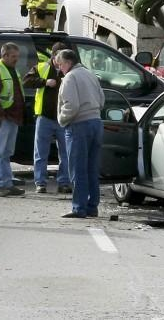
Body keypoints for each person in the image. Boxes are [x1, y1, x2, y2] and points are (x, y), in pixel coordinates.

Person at [55, 49, 105, 219]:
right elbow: (102, 100)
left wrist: (62, 119)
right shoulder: (90, 74)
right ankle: (92, 206)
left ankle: (79, 208)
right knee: (91, 168)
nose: (59, 69)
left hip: (78, 125)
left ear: (68, 63)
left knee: (77, 169)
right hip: (96, 123)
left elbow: (72, 105)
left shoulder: (70, 77)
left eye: (60, 64)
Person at [23, 42, 71, 194]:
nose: (61, 60)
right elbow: (26, 81)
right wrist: (44, 82)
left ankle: (64, 182)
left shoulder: (68, 70)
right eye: (59, 57)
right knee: (40, 153)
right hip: (44, 117)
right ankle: (40, 183)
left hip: (63, 118)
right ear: (53, 55)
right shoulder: (42, 67)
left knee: (66, 153)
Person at [0, 43, 25, 197]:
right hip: (4, 117)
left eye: (17, 56)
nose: (16, 59)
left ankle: (7, 183)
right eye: (14, 56)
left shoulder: (10, 69)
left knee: (6, 153)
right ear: (5, 56)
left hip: (12, 117)